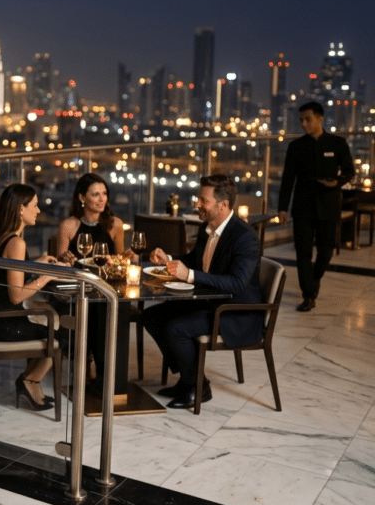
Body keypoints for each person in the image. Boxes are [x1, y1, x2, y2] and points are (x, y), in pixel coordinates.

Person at [142, 174, 263, 409]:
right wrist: (168, 260)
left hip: (236, 312)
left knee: (176, 328)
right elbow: (193, 261)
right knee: (152, 316)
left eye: (203, 200)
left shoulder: (245, 238)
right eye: (199, 198)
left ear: (223, 205)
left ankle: (196, 387)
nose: (197, 204)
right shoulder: (207, 228)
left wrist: (189, 275)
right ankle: (189, 378)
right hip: (209, 302)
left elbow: (237, 283)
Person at [0, 183, 60, 411]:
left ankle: (29, 381)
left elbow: (3, 276)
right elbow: (16, 296)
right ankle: (29, 381)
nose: (38, 211)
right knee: (61, 336)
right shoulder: (16, 243)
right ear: (20, 209)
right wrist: (45, 276)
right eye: (35, 206)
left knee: (51, 329)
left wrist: (35, 265)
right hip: (6, 324)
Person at [278, 101, 355, 312]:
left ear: (320, 119)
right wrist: (282, 208)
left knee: (326, 251)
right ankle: (308, 295)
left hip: (329, 205)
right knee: (303, 253)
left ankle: (314, 280)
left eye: (307, 119)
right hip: (303, 205)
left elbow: (349, 171)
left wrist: (336, 183)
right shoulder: (296, 147)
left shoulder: (338, 143)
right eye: (301, 120)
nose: (303, 124)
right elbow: (287, 180)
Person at [55, 173, 128, 381]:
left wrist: (121, 259)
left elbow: (121, 263)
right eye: (95, 194)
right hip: (78, 289)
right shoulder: (68, 226)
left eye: (104, 193)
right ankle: (89, 360)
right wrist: (65, 257)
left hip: (107, 288)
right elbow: (60, 264)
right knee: (90, 308)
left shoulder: (115, 225)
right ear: (82, 198)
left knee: (104, 308)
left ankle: (103, 367)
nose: (102, 199)